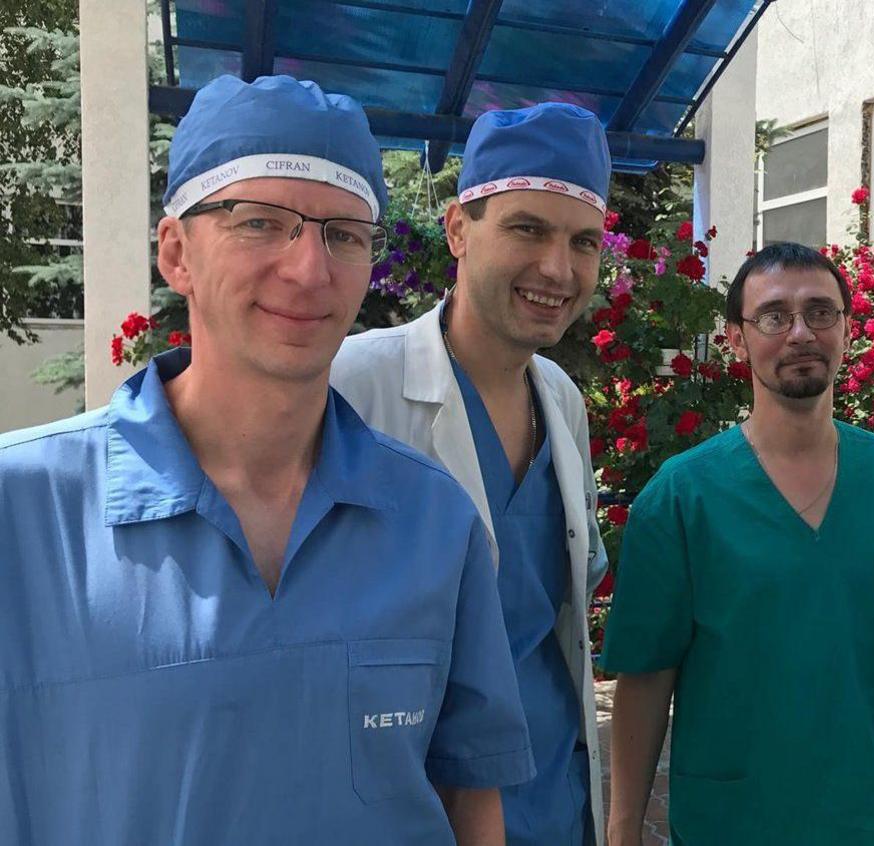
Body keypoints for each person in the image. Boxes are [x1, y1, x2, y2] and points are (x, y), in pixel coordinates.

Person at [0, 75, 533, 844]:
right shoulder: (26, 515)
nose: (309, 271)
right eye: (259, 223)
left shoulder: (432, 521)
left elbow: (470, 798)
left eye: (343, 234)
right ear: (176, 253)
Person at [600, 242, 874, 846]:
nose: (800, 332)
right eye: (774, 316)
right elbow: (647, 677)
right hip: (734, 821)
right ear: (736, 338)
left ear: (848, 331)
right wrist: (622, 831)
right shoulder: (681, 497)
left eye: (821, 312)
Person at [332, 102, 611, 846]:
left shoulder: (561, 400)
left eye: (583, 241)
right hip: (417, 809)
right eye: (527, 228)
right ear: (459, 228)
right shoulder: (354, 387)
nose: (558, 269)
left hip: (556, 797)